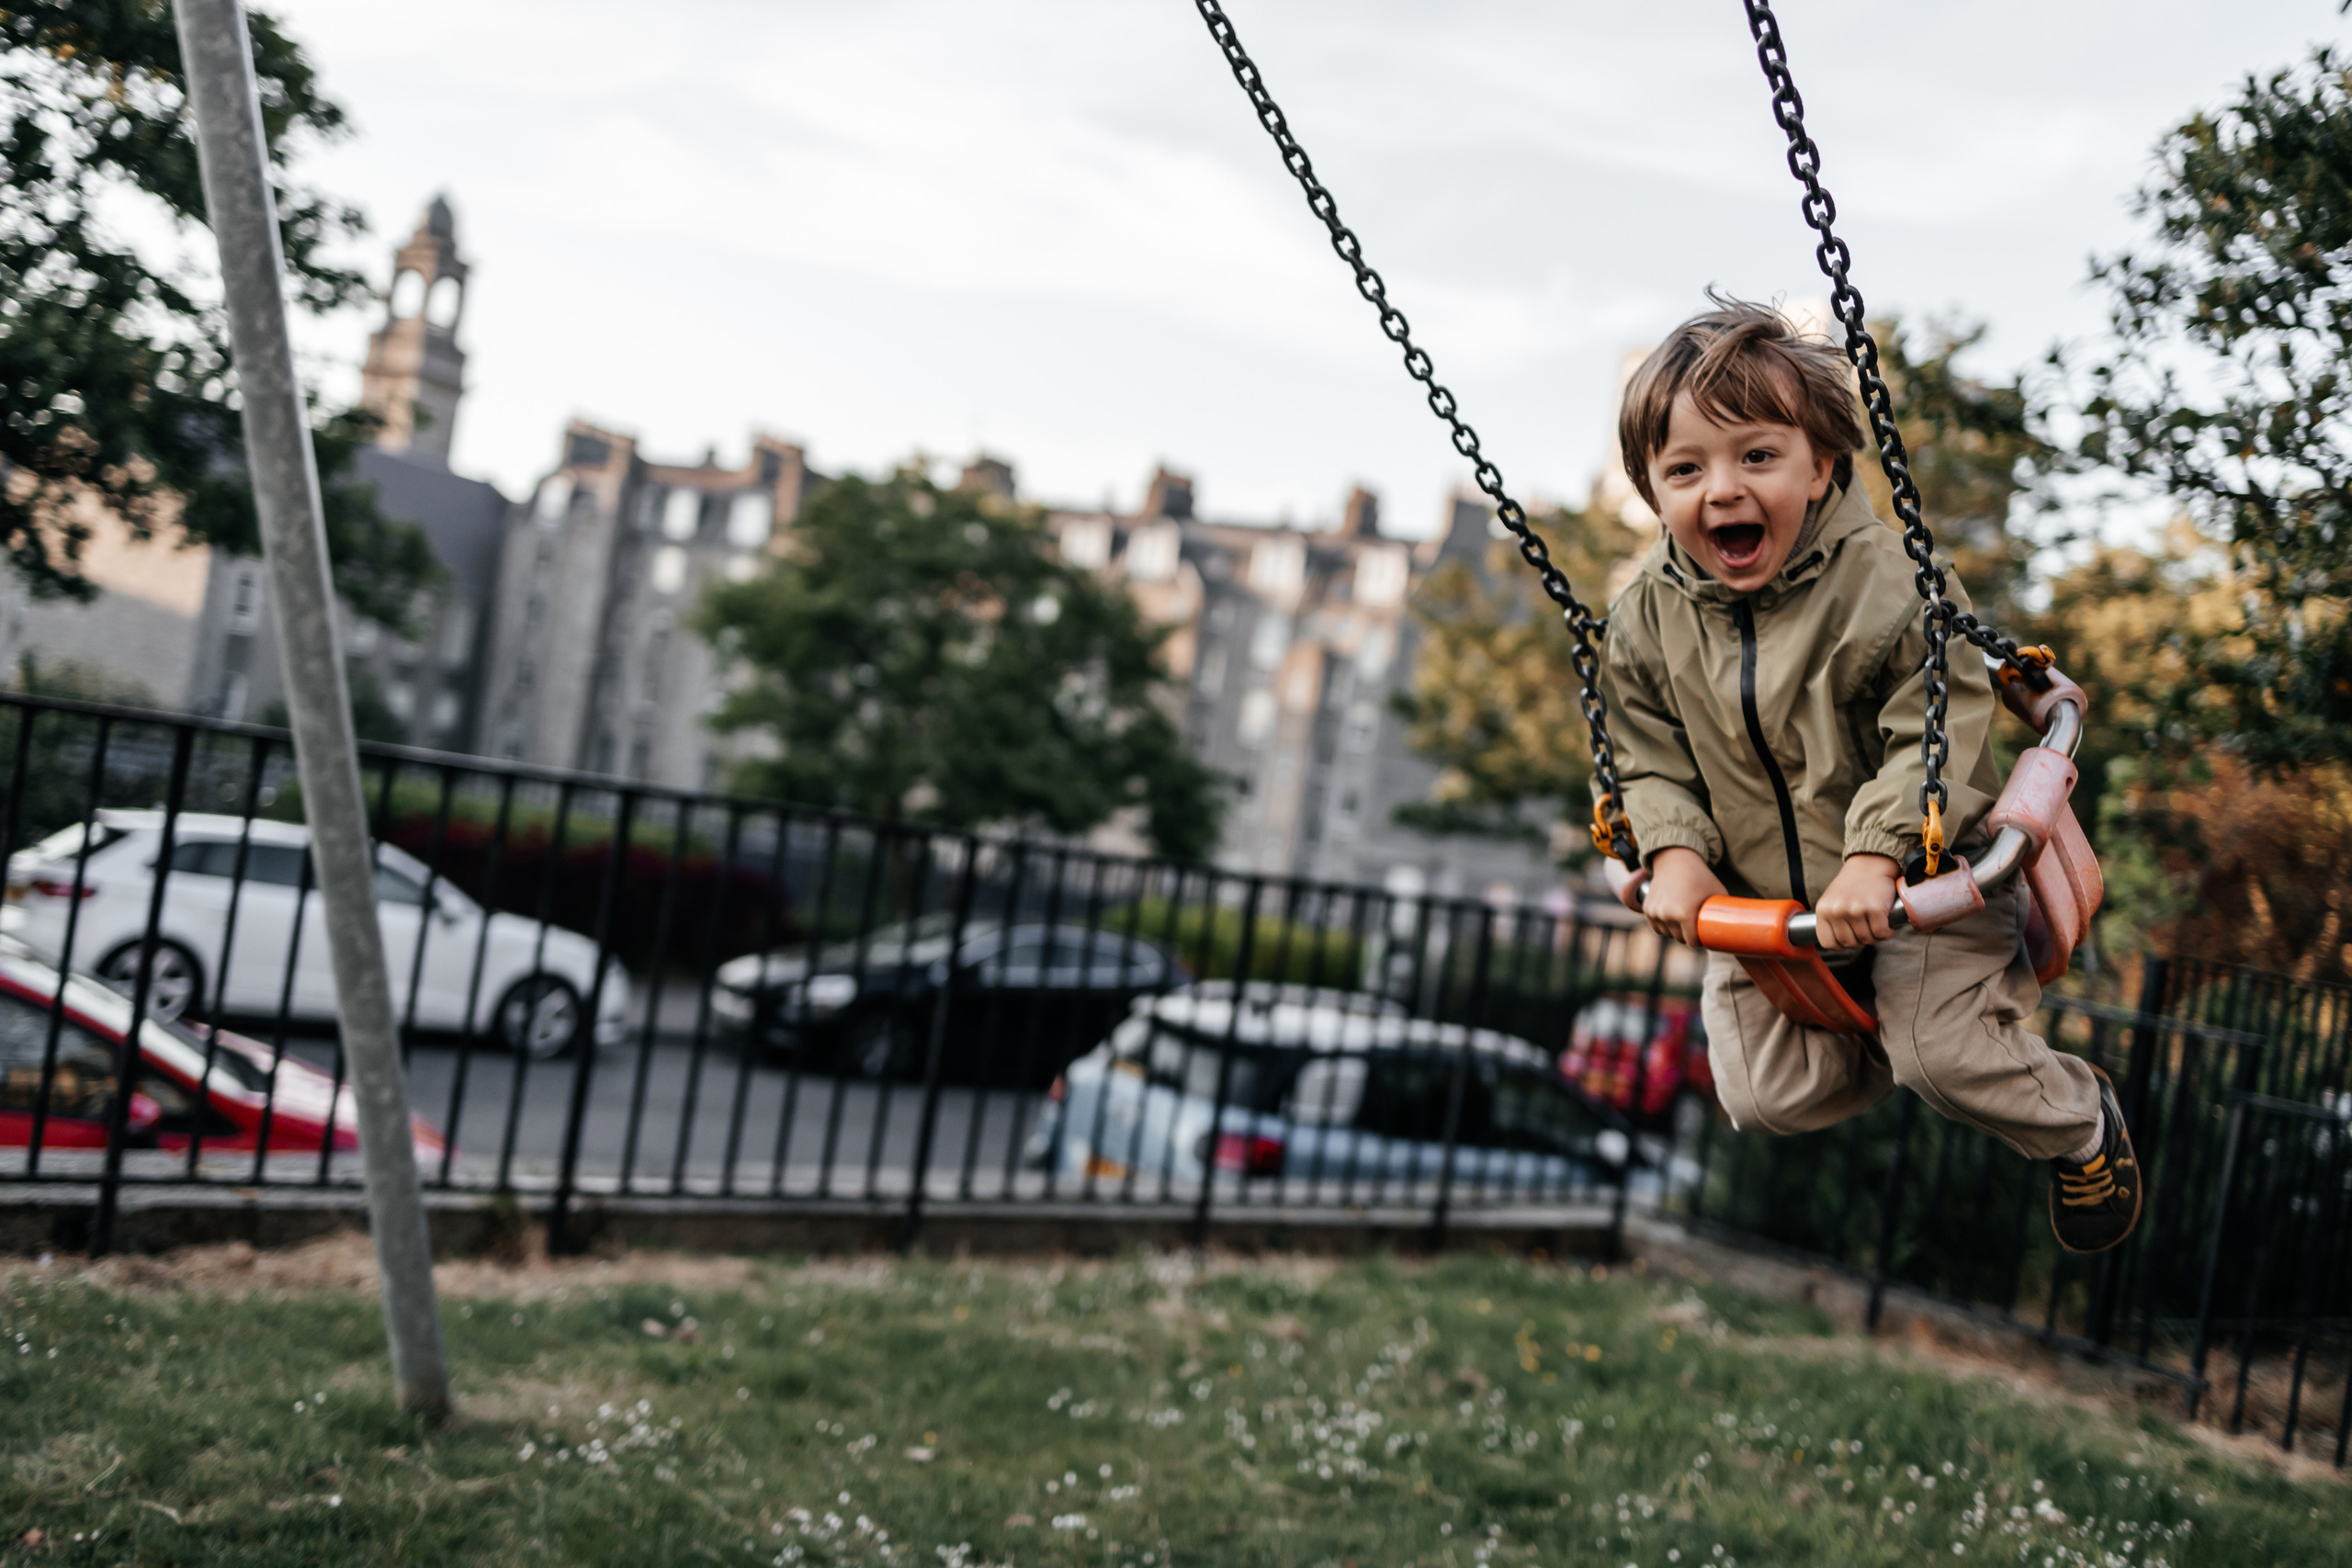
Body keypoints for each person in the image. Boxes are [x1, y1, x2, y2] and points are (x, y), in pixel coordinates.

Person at [1601, 299, 2138, 1254]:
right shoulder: (1644, 612)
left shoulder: (1891, 582)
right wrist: (1675, 849)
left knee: (1944, 1057)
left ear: (1818, 464)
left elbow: (1936, 732)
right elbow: (1643, 746)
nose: (1720, 490)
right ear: (1651, 487)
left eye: (1755, 457)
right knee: (1760, 1097)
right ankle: (1906, 1029)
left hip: (1921, 882)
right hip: (1775, 901)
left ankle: (2076, 1118)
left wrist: (1876, 855)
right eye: (1685, 470)